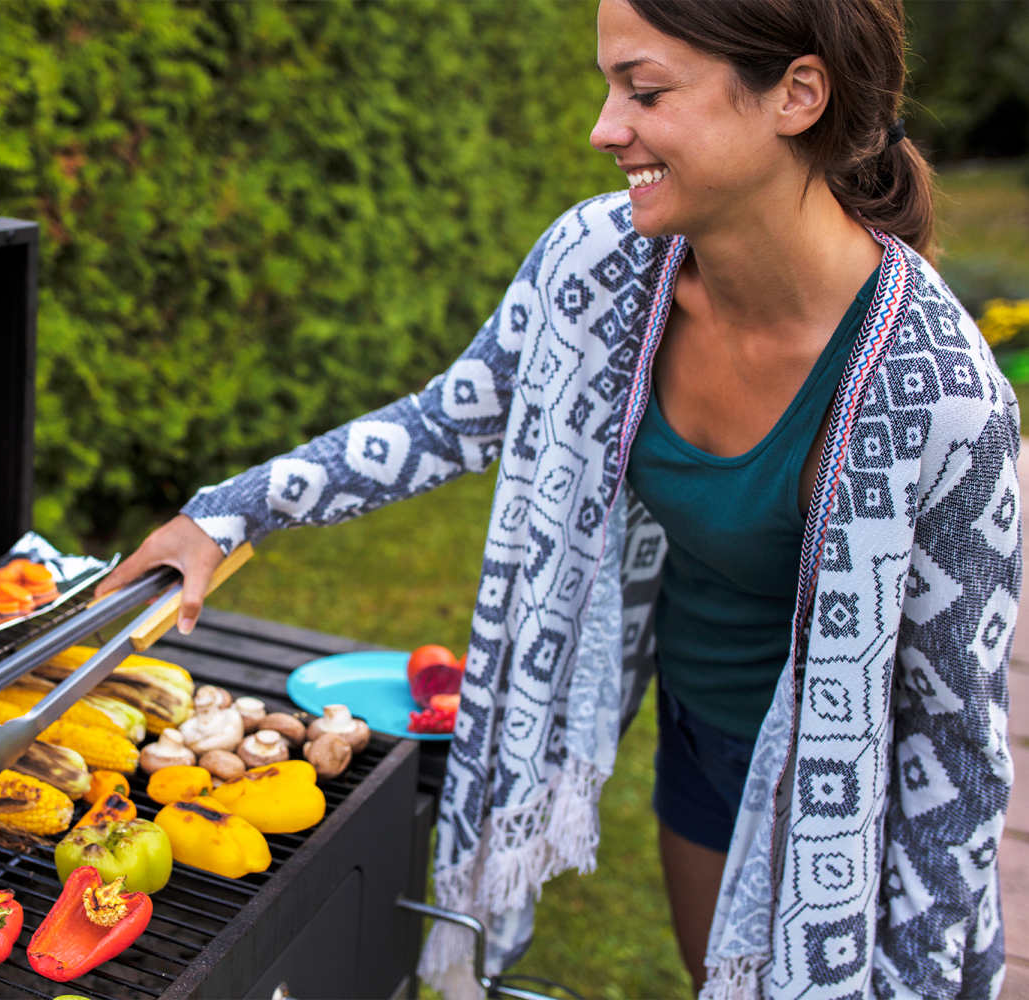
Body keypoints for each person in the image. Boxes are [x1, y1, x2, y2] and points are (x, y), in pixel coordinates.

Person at [95, 0, 1018, 996]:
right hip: (702, 745)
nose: (604, 126)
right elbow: (446, 419)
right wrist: (224, 511)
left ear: (797, 93)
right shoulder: (601, 262)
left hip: (849, 797)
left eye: (645, 88)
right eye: (607, 84)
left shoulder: (942, 397)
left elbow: (956, 742)